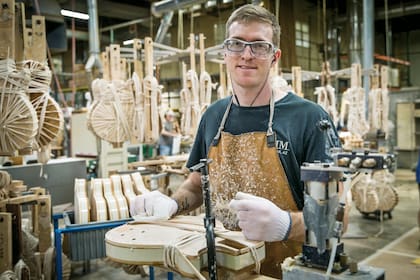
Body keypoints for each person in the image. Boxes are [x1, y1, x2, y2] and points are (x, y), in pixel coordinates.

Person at [131, 4, 342, 279]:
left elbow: (337, 218)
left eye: (259, 46)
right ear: (225, 53)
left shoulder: (309, 118)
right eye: (237, 44)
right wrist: (172, 203)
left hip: (288, 271)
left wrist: (286, 224)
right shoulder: (213, 116)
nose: (246, 55)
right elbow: (196, 186)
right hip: (222, 267)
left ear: (275, 56)